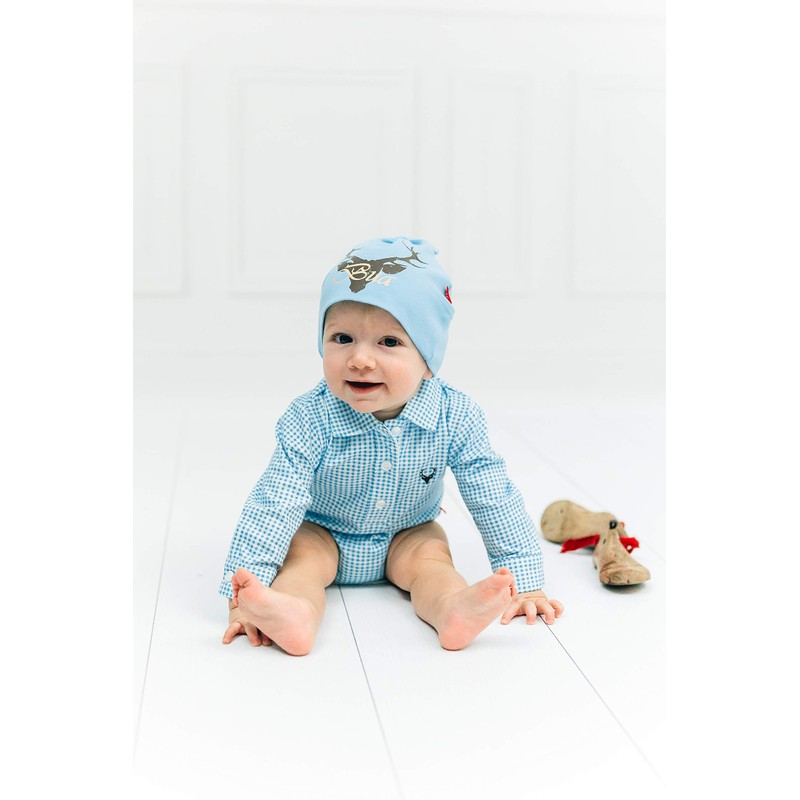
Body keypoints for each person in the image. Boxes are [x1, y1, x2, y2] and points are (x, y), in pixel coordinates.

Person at [219, 236, 563, 655]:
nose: (360, 360)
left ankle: (452, 610)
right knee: (301, 567)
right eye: (342, 338)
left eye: (389, 342)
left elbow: (492, 494)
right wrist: (242, 596)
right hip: (322, 532)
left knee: (432, 565)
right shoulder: (310, 416)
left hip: (408, 533)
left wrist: (524, 581)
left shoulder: (454, 415)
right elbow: (276, 500)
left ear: (428, 360)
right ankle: (293, 614)